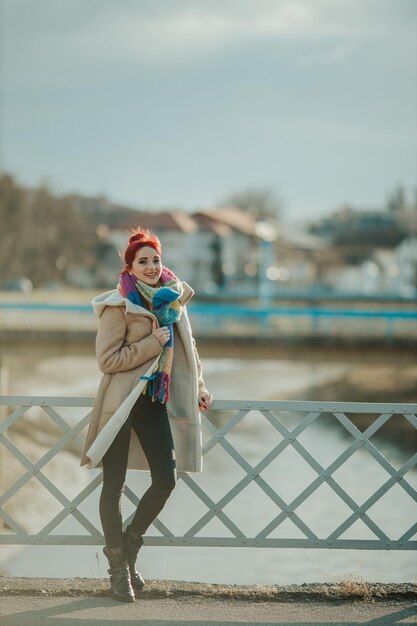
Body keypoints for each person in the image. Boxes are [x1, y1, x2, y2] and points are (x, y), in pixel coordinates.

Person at [81, 227, 213, 602]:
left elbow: (188, 350)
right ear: (130, 267)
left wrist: (199, 385)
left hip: (154, 403)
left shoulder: (173, 302)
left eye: (156, 259)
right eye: (144, 261)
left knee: (166, 480)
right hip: (120, 405)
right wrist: (149, 344)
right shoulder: (116, 306)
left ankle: (129, 547)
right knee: (114, 486)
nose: (152, 266)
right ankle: (117, 569)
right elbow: (108, 361)